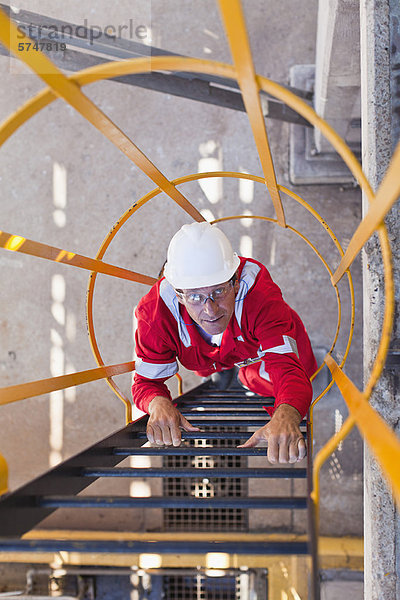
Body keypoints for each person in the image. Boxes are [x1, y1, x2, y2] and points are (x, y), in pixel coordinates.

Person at [132, 222, 317, 464]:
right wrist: (157, 402)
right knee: (206, 365)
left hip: (254, 350)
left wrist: (288, 413)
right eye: (195, 297)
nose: (210, 309)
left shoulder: (260, 296)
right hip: (209, 356)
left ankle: (240, 375)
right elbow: (145, 383)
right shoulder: (155, 315)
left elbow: (288, 369)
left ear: (236, 281)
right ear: (178, 295)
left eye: (219, 291)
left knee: (285, 376)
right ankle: (221, 371)